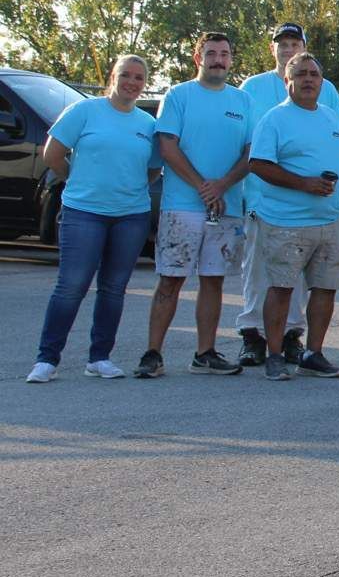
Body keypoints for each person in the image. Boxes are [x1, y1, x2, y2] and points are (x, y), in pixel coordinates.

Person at [26, 55, 156, 383]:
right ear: (113, 77)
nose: (131, 82)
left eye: (139, 78)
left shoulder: (148, 125)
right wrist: (77, 178)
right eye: (125, 75)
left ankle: (99, 358)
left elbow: (153, 169)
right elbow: (52, 154)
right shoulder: (84, 111)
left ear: (144, 84)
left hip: (131, 216)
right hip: (84, 212)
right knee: (71, 286)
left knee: (113, 289)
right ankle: (47, 359)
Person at [136, 32, 249, 378]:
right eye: (211, 53)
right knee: (170, 279)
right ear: (198, 58)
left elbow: (250, 151)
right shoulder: (178, 95)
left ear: (231, 60)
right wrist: (204, 187)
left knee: (213, 281)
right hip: (182, 207)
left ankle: (205, 353)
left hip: (226, 209)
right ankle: (153, 353)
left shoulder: (243, 101)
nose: (218, 59)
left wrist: (223, 186)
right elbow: (168, 147)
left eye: (224, 54)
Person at [235, 23, 339, 367]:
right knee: (265, 279)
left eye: (294, 42)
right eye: (282, 44)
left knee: (309, 284)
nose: (288, 48)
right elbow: (249, 152)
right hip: (268, 205)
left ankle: (293, 339)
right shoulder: (254, 90)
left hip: (325, 214)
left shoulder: (328, 98)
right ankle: (255, 338)